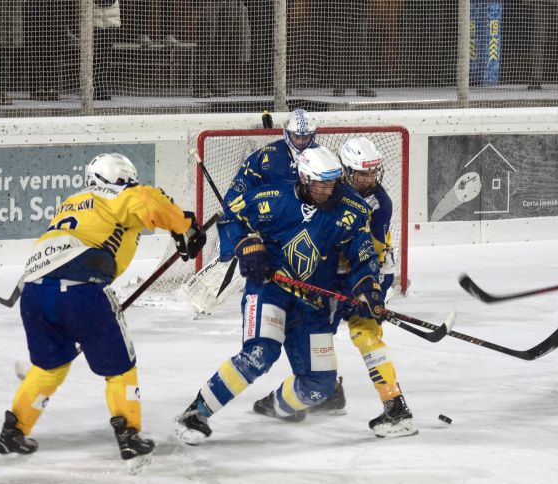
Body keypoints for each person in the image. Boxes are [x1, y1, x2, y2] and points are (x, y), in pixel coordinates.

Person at [0, 153, 206, 472]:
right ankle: (129, 435)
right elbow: (149, 202)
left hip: (35, 293)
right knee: (121, 367)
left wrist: (178, 230)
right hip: (81, 292)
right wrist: (185, 226)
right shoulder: (121, 194)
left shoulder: (74, 200)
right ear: (122, 179)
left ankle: (14, 431)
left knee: (49, 366)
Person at [174, 145, 383, 445]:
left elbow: (363, 257)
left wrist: (368, 288)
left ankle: (273, 405)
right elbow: (231, 216)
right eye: (322, 183)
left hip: (313, 305)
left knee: (320, 386)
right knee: (261, 353)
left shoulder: (353, 209)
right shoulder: (273, 198)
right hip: (270, 289)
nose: (329, 189)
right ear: (305, 179)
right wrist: (245, 244)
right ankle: (196, 412)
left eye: (333, 181)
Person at [302, 137, 416, 438]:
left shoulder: (380, 204)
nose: (369, 179)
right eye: (362, 173)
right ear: (346, 172)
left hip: (363, 276)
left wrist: (371, 288)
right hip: (329, 276)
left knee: (366, 335)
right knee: (318, 332)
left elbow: (372, 254)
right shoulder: (330, 189)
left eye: (372, 173)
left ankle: (396, 408)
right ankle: (327, 391)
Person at [216, 108, 318, 262]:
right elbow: (239, 187)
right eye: (297, 137)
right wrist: (237, 219)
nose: (301, 142)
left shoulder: (323, 158)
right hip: (268, 229)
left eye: (306, 137)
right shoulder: (267, 155)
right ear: (287, 134)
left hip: (308, 230)